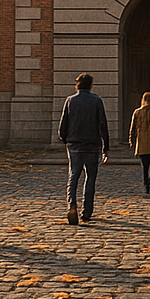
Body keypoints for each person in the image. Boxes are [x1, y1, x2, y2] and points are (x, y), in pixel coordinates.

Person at [57, 73, 109, 224]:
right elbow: (102, 124)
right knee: (90, 178)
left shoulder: (70, 101)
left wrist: (65, 138)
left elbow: (63, 124)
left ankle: (71, 205)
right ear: (91, 85)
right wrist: (106, 146)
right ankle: (86, 212)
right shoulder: (97, 101)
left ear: (77, 85)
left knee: (73, 176)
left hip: (74, 144)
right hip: (92, 144)